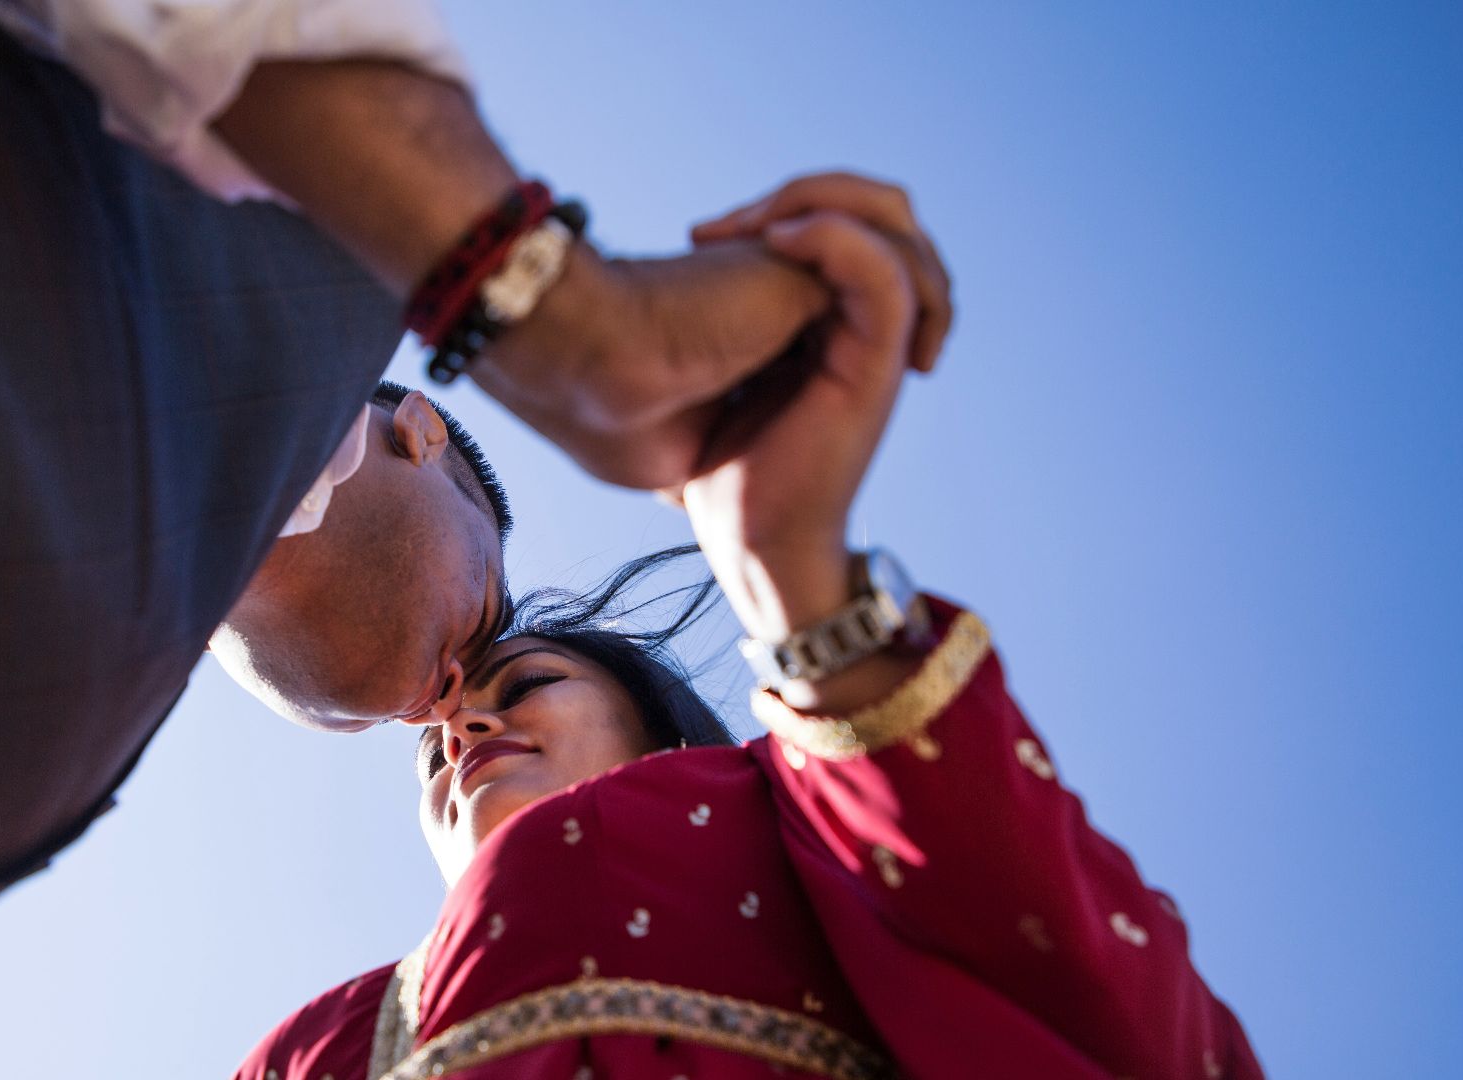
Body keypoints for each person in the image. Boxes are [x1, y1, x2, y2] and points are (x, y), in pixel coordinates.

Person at [0, 0, 947, 1064]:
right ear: (426, 439)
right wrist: (556, 305)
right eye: (508, 649)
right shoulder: (320, 232)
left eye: (446, 741)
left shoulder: (91, 765)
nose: (457, 722)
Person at [231, 202, 1264, 1078]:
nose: (460, 721)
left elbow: (1055, 936)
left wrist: (788, 564)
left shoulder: (804, 830)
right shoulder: (318, 1049)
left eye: (526, 677)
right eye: (427, 744)